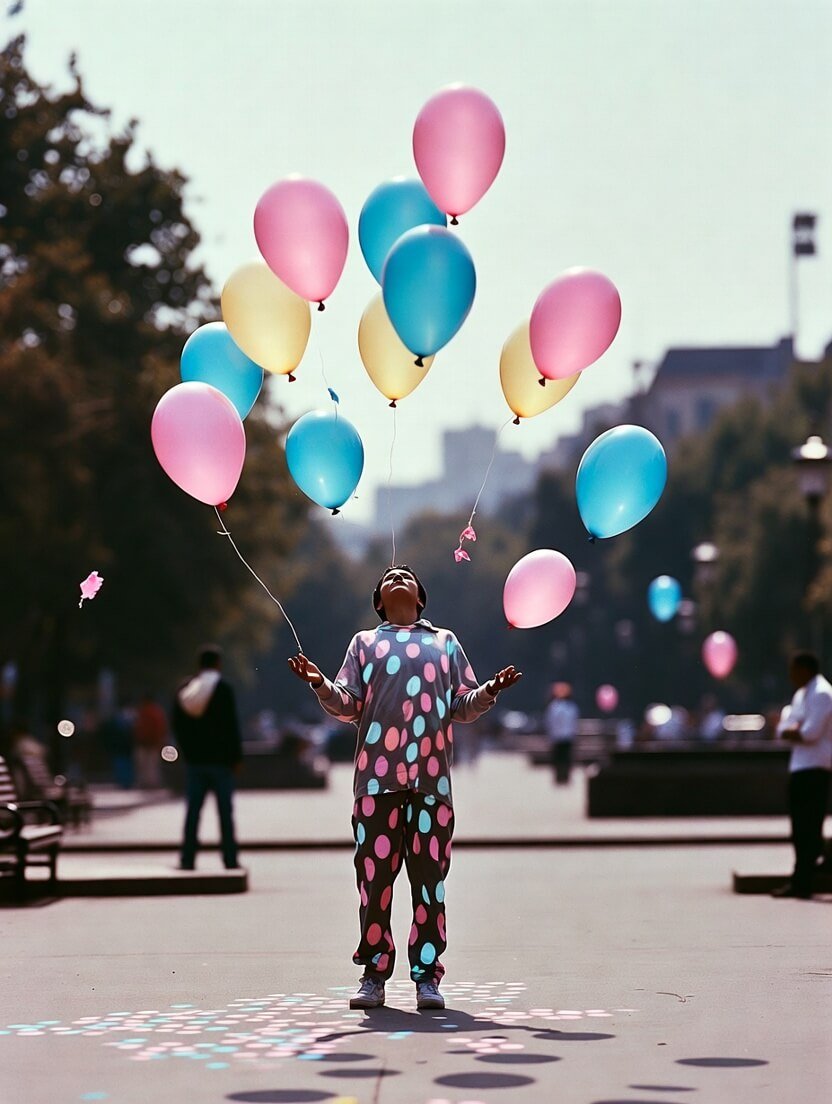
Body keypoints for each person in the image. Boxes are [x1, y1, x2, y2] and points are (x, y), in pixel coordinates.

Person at [288, 564, 521, 1012]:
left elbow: (461, 706)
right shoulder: (364, 643)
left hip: (431, 784)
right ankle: (374, 973)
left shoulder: (444, 642)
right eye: (389, 575)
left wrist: (490, 690)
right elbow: (349, 704)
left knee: (429, 885)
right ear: (379, 600)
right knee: (374, 884)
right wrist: (319, 683)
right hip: (376, 780)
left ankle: (427, 977)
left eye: (406, 575)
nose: (397, 575)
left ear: (420, 597)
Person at [172, 645, 242, 871]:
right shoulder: (223, 689)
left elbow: (177, 725)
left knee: (193, 812)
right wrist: (236, 757)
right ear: (218, 664)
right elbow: (232, 727)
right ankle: (229, 858)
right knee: (225, 814)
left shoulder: (186, 690)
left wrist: (188, 751)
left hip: (196, 761)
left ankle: (187, 857)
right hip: (221, 762)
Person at [773, 651, 832, 899]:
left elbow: (809, 732)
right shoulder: (802, 694)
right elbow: (783, 728)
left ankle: (805, 879)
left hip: (816, 767)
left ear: (805, 670)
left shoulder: (822, 694)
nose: (790, 676)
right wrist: (791, 730)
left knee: (809, 825)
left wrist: (793, 730)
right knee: (800, 828)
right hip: (800, 766)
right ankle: (802, 878)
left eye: (793, 670)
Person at [544, 682, 579, 785]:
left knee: (566, 759)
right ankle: (559, 777)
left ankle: (565, 777)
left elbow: (573, 722)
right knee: (558, 759)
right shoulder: (554, 707)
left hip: (566, 737)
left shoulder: (570, 707)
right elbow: (550, 722)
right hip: (558, 737)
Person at [134, 693, 168, 789]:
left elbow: (138, 728)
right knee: (152, 765)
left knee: (144, 765)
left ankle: (147, 783)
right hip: (152, 742)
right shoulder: (157, 712)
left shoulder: (144, 712)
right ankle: (151, 783)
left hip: (145, 742)